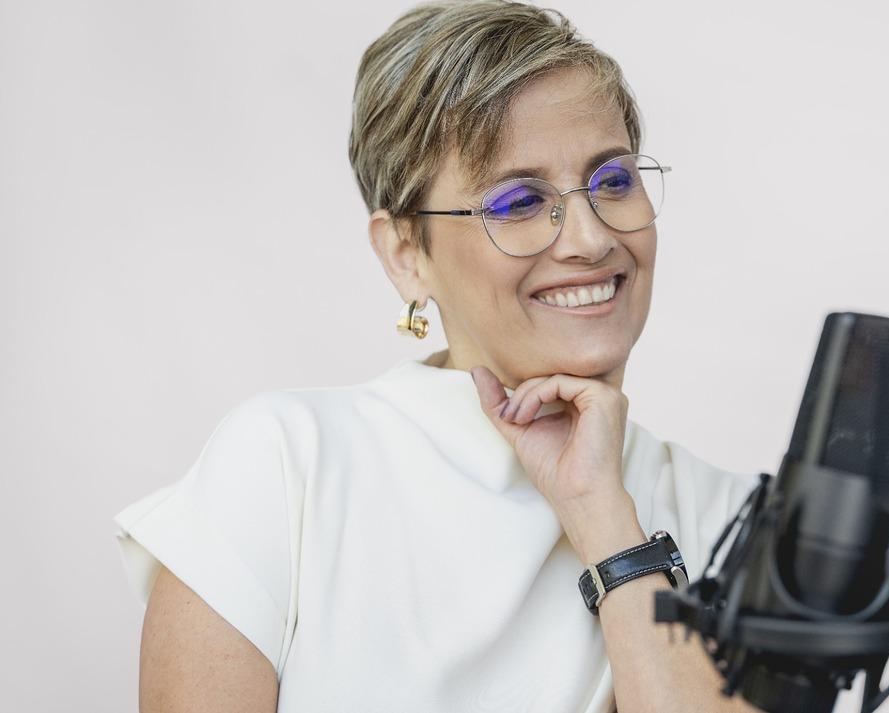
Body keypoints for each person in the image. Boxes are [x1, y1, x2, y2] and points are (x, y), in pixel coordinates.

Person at [112, 1, 759, 711]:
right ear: (404, 254)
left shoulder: (735, 518)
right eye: (517, 200)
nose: (589, 238)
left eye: (612, 181)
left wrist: (603, 517)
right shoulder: (283, 467)